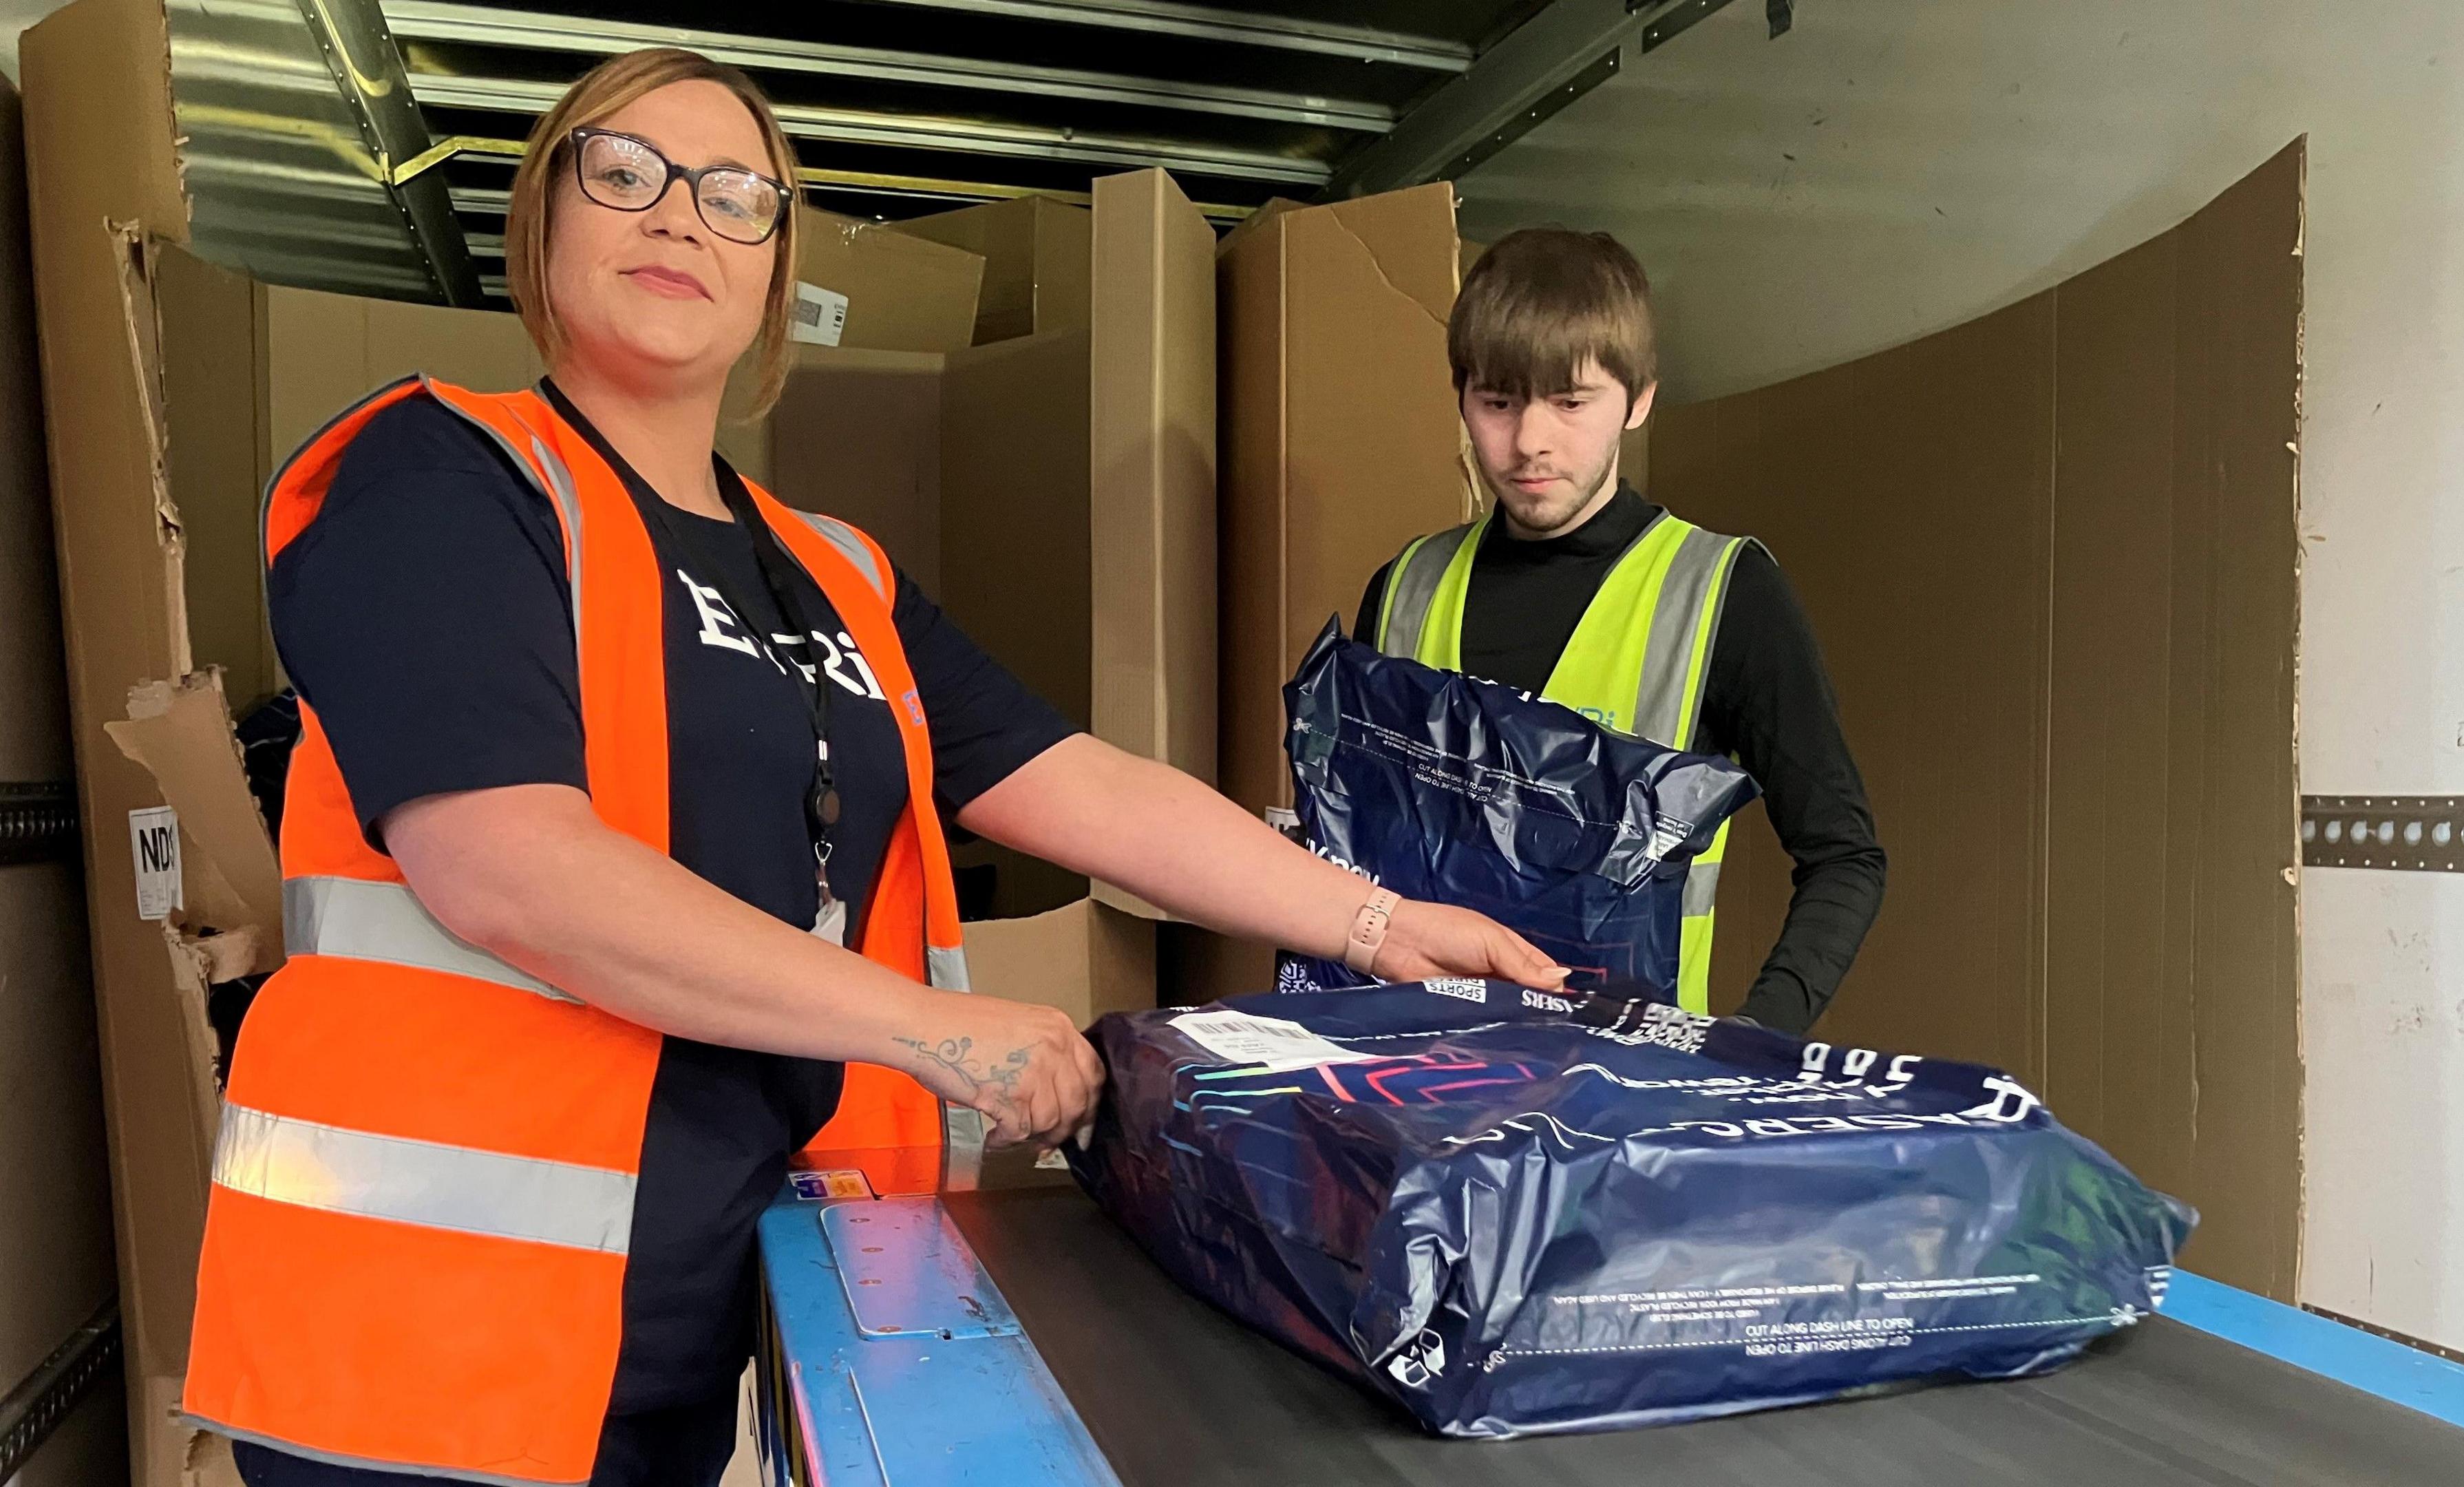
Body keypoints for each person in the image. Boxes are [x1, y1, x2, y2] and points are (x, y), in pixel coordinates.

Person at [185, 49, 1562, 1487]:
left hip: (674, 1312)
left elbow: (1072, 778)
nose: (676, 217)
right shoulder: (446, 480)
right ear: (544, 220)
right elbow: (509, 866)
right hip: (423, 1333)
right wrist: (932, 1031)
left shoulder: (830, 572)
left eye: (734, 195)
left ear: (777, 268)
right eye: (623, 171)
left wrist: (1382, 923)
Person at [1355, 228, 1884, 1031]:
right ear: (1460, 395)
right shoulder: (1403, 592)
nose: (1530, 441)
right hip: (1416, 1079)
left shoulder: (1723, 594)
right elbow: (1343, 856)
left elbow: (1845, 857)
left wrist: (1754, 1038)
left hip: (1628, 1109)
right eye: (1497, 401)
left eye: (1571, 402)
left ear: (1638, 401)